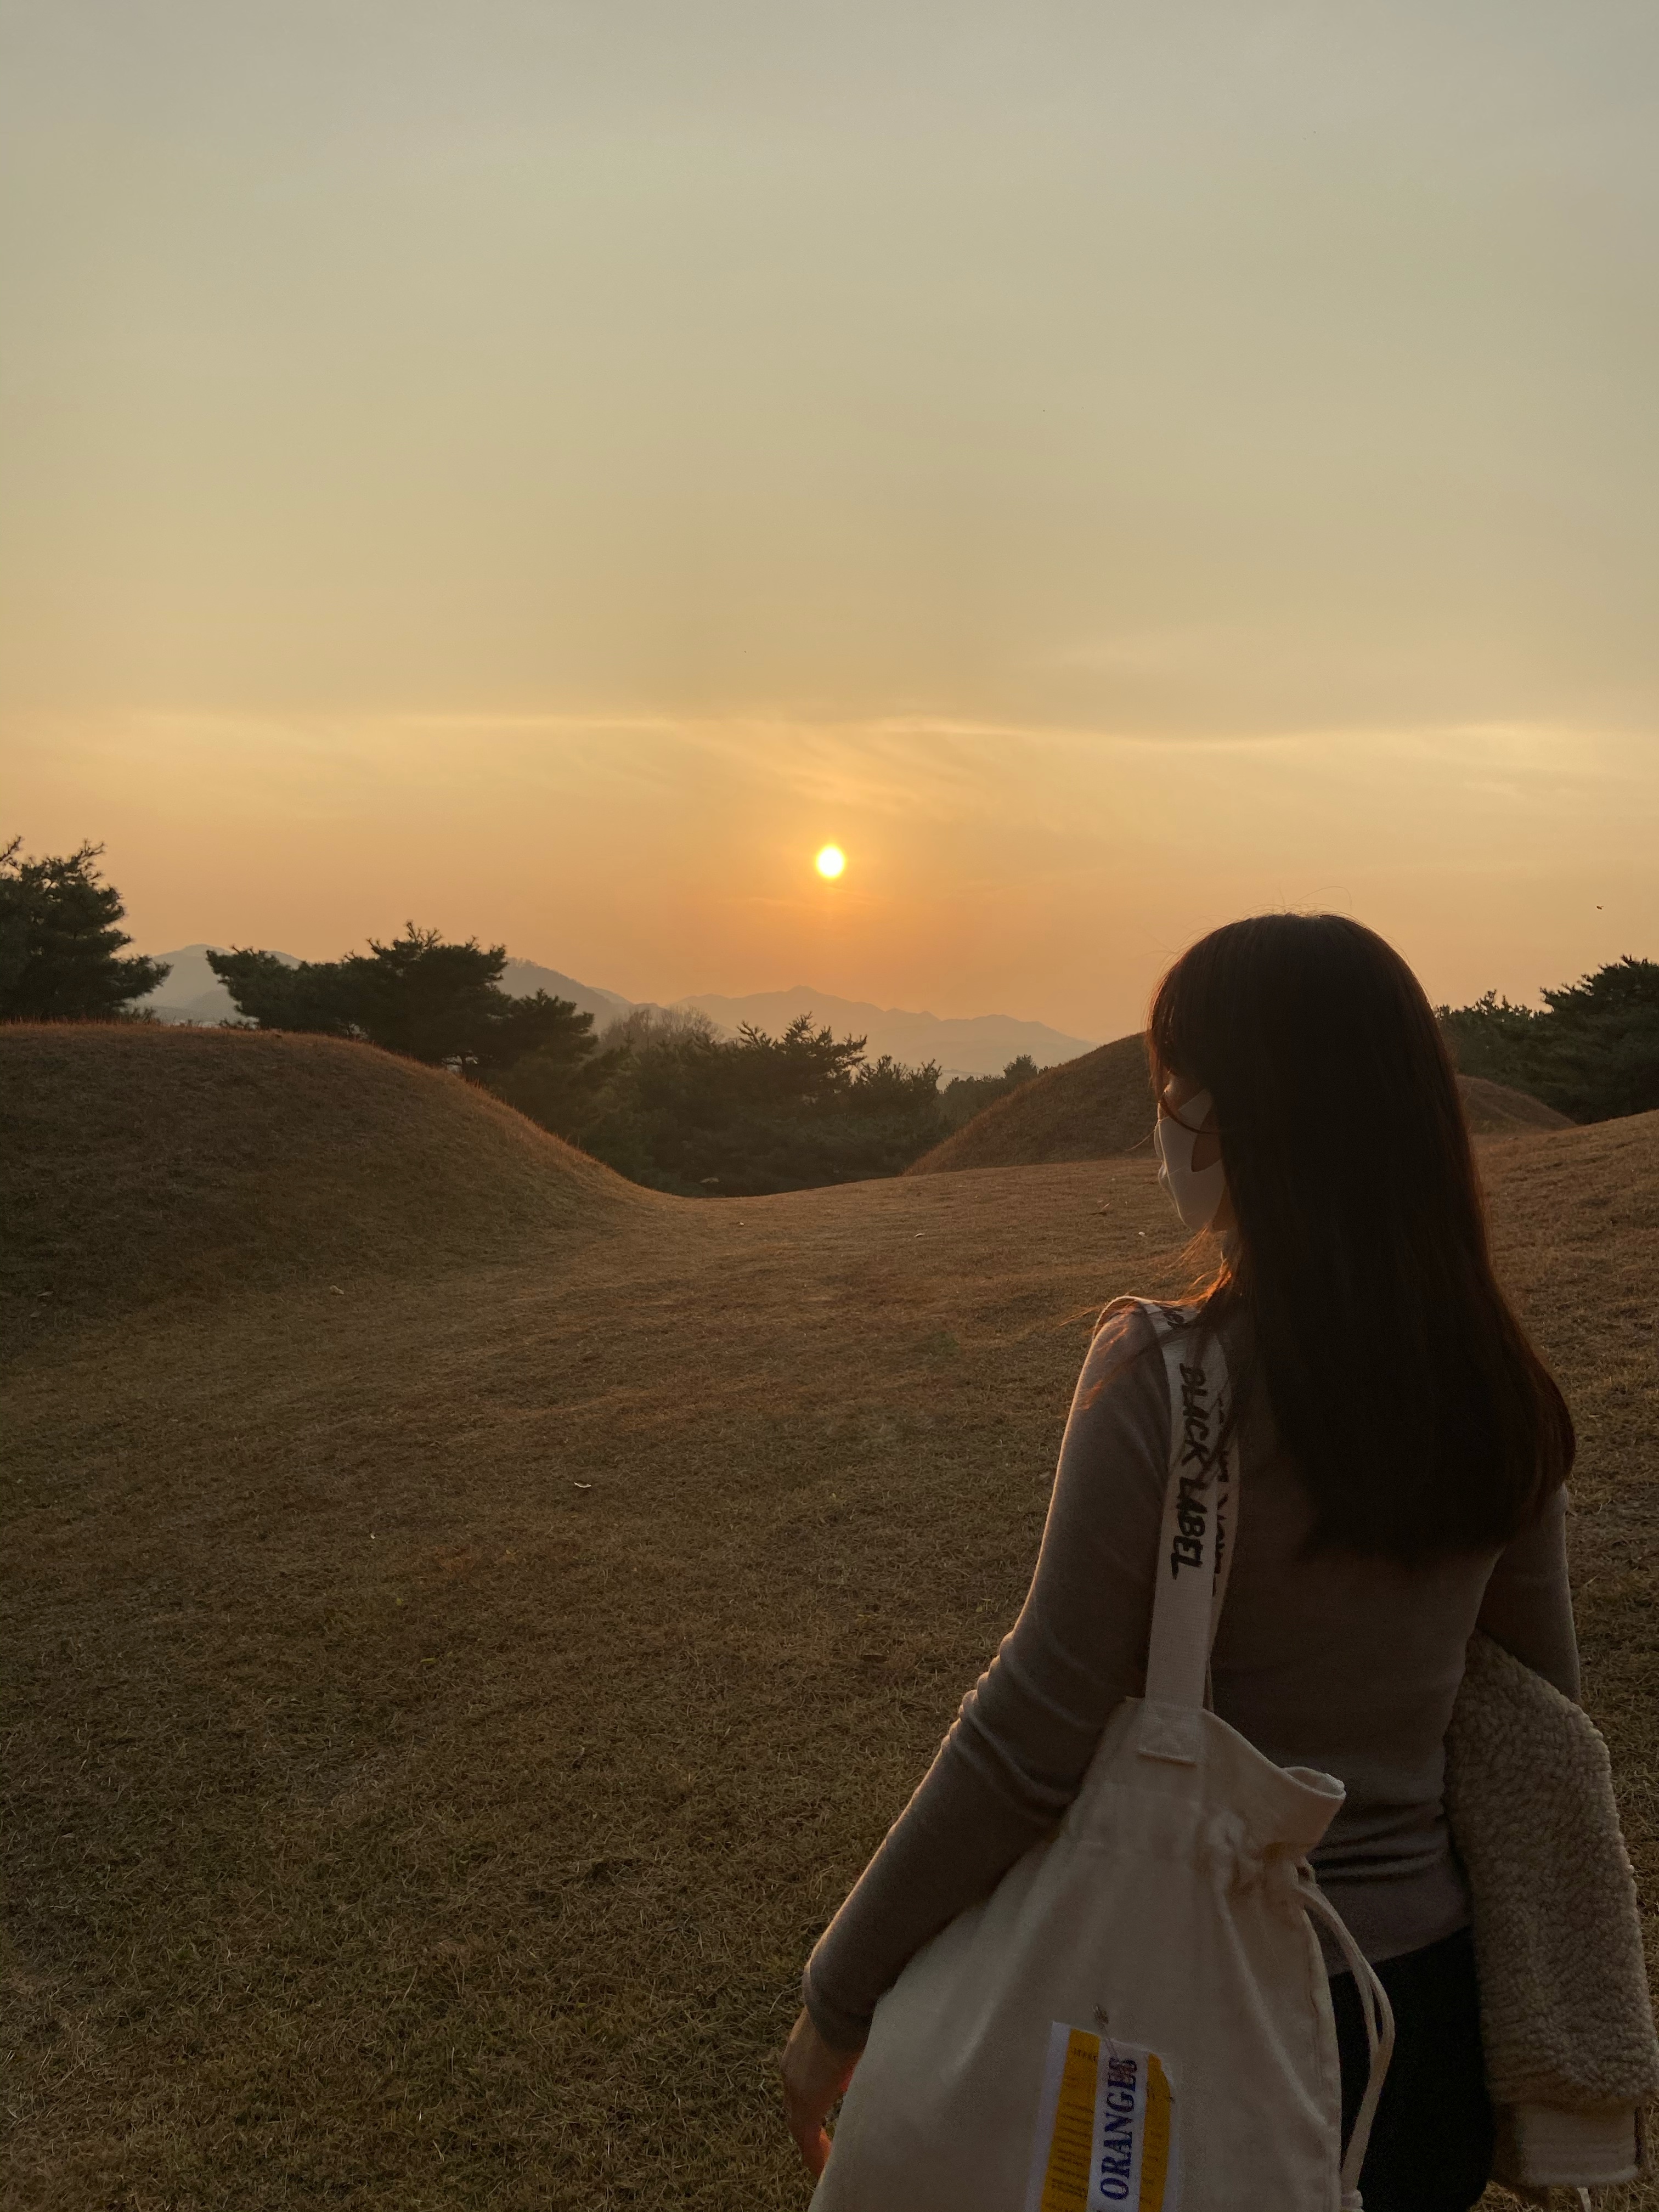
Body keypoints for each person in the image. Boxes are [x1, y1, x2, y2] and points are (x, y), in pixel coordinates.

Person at [780, 913, 1578, 2212]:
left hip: (1188, 2007)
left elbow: (1031, 1729)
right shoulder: (1505, 1394)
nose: (1165, 1133)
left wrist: (838, 1997)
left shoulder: (1166, 1379)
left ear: (1236, 1122)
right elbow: (1537, 1713)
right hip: (1420, 2026)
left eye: (1173, 1098)